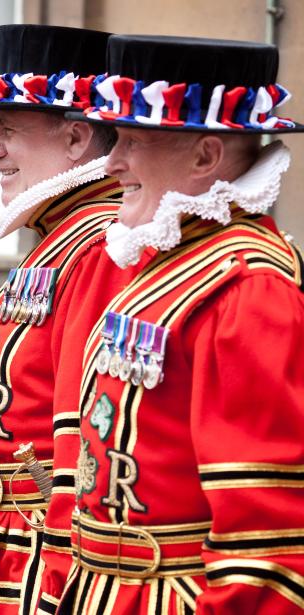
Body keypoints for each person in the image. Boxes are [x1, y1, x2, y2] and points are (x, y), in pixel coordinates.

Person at [49, 34, 304, 614]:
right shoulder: (169, 258)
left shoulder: (248, 288)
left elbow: (265, 544)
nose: (110, 162)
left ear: (206, 157)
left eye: (132, 141)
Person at [0, 25, 135, 615]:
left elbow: (80, 445)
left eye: (6, 129)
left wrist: (57, 589)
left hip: (30, 561)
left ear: (75, 138)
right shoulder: (59, 238)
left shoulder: (98, 247)